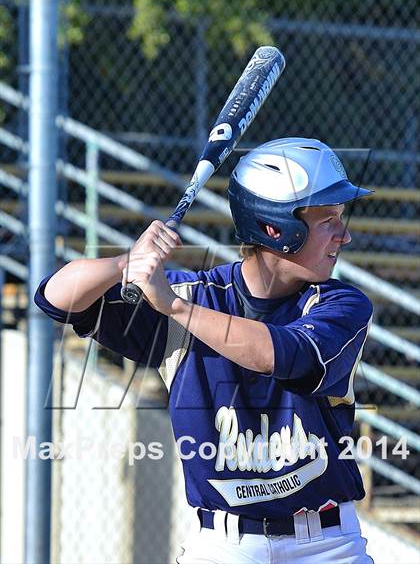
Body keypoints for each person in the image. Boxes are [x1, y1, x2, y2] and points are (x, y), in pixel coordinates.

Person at [35, 138, 374, 563]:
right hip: (222, 545)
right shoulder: (197, 294)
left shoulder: (341, 304)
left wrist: (174, 306)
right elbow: (56, 297)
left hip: (327, 546)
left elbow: (283, 355)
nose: (344, 235)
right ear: (277, 230)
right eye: (328, 221)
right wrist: (127, 262)